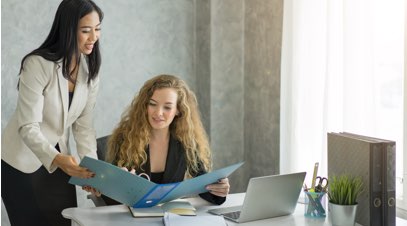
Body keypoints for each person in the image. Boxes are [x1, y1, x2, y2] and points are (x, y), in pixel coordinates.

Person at [1, 1, 103, 225]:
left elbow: (84, 128)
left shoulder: (90, 72)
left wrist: (93, 172)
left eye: (98, 29)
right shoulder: (37, 64)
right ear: (68, 29)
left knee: (62, 220)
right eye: (86, 30)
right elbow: (28, 126)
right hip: (21, 161)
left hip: (60, 159)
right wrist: (58, 159)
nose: (94, 37)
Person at [102, 74, 230, 205]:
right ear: (145, 106)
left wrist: (219, 189)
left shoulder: (186, 142)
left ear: (178, 110)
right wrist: (117, 183)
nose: (158, 113)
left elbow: (204, 186)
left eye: (167, 107)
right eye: (152, 104)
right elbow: (108, 196)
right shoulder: (125, 139)